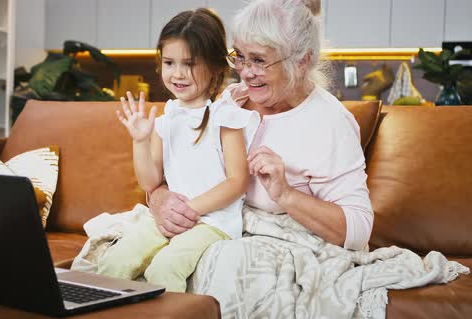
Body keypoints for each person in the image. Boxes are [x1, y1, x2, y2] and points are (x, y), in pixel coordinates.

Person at [149, 0, 373, 254]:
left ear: (302, 61)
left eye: (258, 60)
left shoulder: (331, 123)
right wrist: (159, 200)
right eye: (241, 57)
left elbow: (358, 230)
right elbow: (174, 171)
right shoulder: (231, 101)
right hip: (210, 232)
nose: (245, 73)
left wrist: (286, 194)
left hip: (277, 247)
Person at [97, 8, 259, 293]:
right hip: (171, 217)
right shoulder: (167, 117)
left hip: (212, 222)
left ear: (216, 67)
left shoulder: (226, 116)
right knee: (114, 260)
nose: (178, 73)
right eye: (170, 62)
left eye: (190, 63)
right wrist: (139, 141)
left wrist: (188, 211)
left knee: (165, 267)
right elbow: (150, 182)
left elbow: (237, 181)